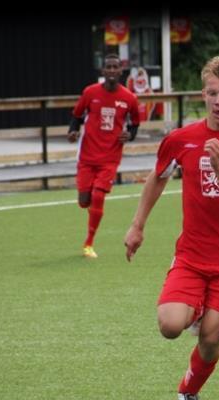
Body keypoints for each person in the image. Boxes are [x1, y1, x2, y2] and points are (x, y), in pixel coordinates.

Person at [123, 57, 219, 400]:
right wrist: (137, 225)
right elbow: (158, 177)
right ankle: (198, 307)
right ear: (203, 94)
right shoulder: (182, 140)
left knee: (209, 338)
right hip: (192, 255)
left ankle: (189, 392)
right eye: (213, 93)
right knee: (170, 326)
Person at [68, 53, 140, 258]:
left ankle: (88, 243)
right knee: (84, 200)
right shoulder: (90, 93)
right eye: (107, 67)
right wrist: (73, 131)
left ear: (120, 71)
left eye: (115, 67)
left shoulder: (129, 98)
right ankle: (88, 203)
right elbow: (77, 115)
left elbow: (135, 123)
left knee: (98, 195)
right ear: (103, 71)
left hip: (110, 158)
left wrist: (130, 135)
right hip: (87, 157)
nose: (111, 70)